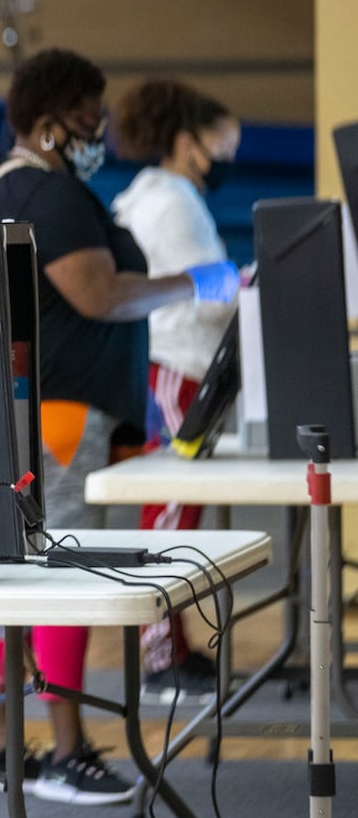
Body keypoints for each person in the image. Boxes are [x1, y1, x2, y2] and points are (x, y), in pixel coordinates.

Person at [0, 49, 238, 805]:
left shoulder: (17, 185)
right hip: (59, 416)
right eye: (88, 119)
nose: (98, 132)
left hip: (43, 409)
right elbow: (98, 295)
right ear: (50, 124)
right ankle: (67, 749)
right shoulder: (44, 193)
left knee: (15, 577)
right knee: (61, 580)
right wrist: (195, 283)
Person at [112, 79, 242, 702]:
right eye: (223, 147)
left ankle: (171, 644)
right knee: (169, 511)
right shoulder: (173, 202)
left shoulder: (157, 195)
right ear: (188, 142)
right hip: (177, 368)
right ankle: (159, 655)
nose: (228, 162)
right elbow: (206, 291)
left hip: (174, 365)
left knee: (175, 509)